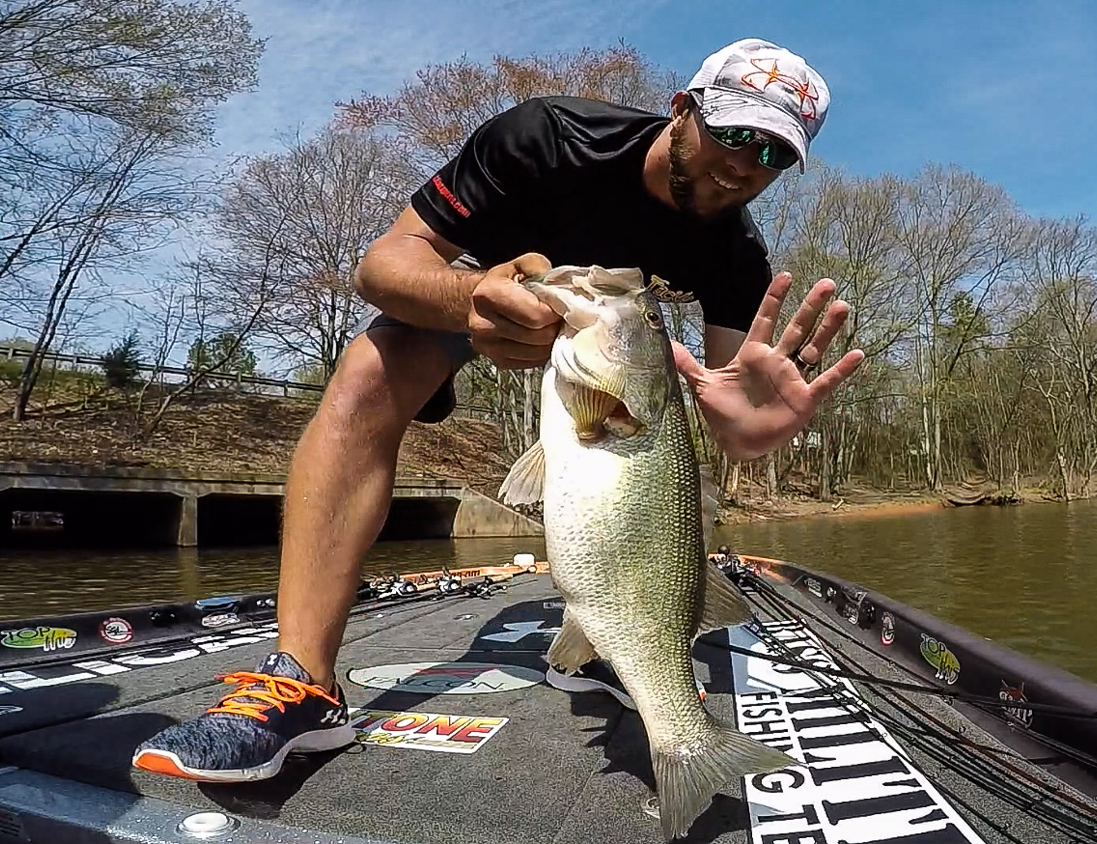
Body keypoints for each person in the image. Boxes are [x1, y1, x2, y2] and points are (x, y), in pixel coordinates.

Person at [131, 37, 863, 783]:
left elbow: (730, 394)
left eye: (773, 154)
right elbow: (382, 266)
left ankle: (617, 647)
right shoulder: (547, 138)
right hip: (482, 296)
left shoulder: (736, 253)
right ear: (681, 109)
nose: (744, 165)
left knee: (645, 479)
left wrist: (745, 435)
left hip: (610, 365)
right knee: (364, 377)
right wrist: (471, 297)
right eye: (732, 133)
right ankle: (304, 685)